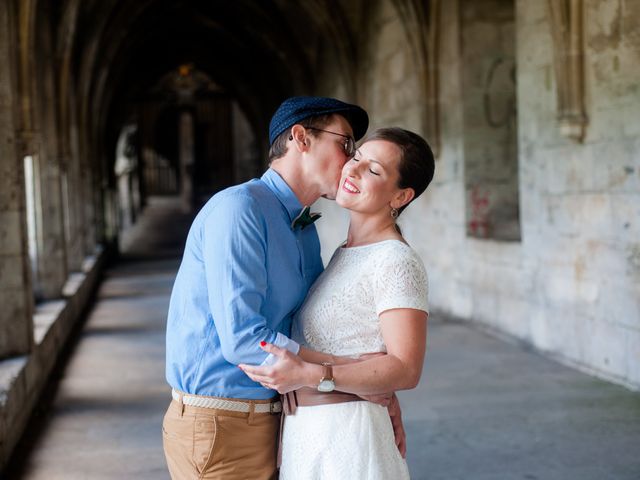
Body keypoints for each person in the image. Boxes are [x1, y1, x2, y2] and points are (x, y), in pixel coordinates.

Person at [163, 96, 401, 479]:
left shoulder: (302, 227)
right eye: (345, 144)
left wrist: (371, 388)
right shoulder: (240, 209)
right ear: (300, 138)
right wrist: (350, 370)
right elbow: (244, 339)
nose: (350, 160)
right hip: (222, 424)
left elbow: (302, 328)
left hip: (281, 420)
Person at [239, 127, 435, 479]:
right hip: (313, 433)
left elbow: (406, 369)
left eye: (374, 171)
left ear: (401, 196)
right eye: (357, 157)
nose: (354, 170)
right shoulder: (344, 254)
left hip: (350, 435)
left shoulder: (394, 261)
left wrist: (311, 374)